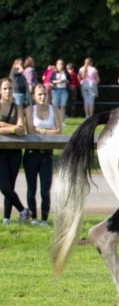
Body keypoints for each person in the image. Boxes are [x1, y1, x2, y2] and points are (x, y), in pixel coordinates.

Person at [23, 84, 62, 226]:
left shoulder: (54, 109)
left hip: (47, 154)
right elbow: (31, 130)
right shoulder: (29, 110)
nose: (42, 97)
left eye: (44, 94)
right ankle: (34, 218)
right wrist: (47, 130)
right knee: (31, 188)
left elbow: (59, 130)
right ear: (34, 96)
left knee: (45, 189)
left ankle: (44, 219)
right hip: (32, 153)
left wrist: (43, 131)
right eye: (39, 94)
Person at [0, 77, 31, 224]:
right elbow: (15, 128)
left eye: (10, 88)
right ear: (0, 90)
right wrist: (11, 128)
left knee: (10, 185)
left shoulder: (18, 107)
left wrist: (3, 126)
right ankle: (23, 211)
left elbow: (20, 129)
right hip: (0, 152)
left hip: (15, 151)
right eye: (5, 88)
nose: (8, 91)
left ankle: (6, 218)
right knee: (4, 186)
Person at [50, 59, 69, 125]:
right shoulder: (54, 73)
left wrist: (65, 81)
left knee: (63, 106)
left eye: (61, 64)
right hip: (55, 90)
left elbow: (69, 80)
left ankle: (62, 121)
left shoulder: (65, 72)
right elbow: (51, 80)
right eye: (59, 64)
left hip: (64, 90)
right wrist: (58, 81)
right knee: (55, 106)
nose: (60, 65)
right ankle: (55, 120)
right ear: (56, 65)